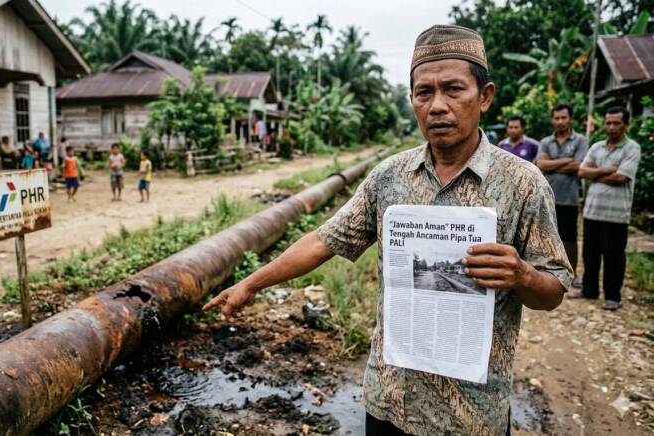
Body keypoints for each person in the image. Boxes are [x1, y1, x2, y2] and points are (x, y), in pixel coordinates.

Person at [204, 24, 572, 436]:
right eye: (423, 93)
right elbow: (323, 241)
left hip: (472, 414)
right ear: (412, 100)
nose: (437, 106)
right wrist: (251, 284)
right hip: (390, 402)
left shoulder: (523, 183)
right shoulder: (389, 177)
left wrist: (521, 275)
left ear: (484, 96)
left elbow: (553, 290)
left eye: (453, 90)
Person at [577, 106, 641, 310]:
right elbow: (582, 171)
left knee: (613, 256)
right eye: (609, 123)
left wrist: (597, 172)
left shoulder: (632, 148)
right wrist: (609, 170)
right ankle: (589, 290)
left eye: (617, 123)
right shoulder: (597, 147)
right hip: (591, 211)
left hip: (616, 215)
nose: (611, 127)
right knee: (590, 254)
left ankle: (612, 296)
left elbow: (622, 177)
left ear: (626, 125)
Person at [537, 104, 589, 288]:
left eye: (563, 118)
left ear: (571, 119)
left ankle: (572, 274)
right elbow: (540, 165)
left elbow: (579, 166)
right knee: (545, 237)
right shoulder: (544, 142)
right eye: (556, 118)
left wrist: (552, 163)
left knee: (569, 238)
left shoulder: (580, 141)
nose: (560, 121)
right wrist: (568, 161)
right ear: (552, 119)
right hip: (547, 198)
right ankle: (547, 273)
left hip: (569, 198)